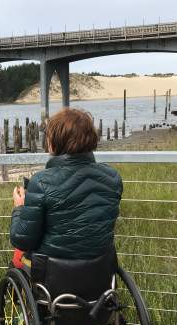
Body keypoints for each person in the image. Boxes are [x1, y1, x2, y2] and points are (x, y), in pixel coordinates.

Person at [10, 108, 123, 268]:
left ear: (55, 142)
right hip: (101, 271)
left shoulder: (41, 182)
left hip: (55, 274)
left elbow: (22, 240)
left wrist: (20, 208)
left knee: (18, 258)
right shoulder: (113, 177)